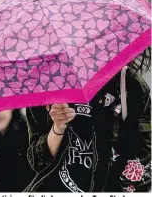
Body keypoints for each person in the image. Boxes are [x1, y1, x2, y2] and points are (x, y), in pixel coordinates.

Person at [24, 49, 151, 192]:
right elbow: (38, 162)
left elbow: (140, 166)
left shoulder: (129, 84)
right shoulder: (45, 83)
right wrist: (58, 128)